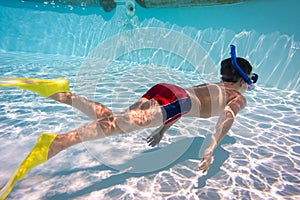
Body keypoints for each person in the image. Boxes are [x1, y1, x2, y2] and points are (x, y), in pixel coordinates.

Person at [0, 45, 258, 198]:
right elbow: (226, 119)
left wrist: (161, 131)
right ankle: (57, 142)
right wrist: (211, 147)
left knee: (114, 122)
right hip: (176, 103)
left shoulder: (212, 86)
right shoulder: (236, 97)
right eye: (249, 83)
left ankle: (62, 93)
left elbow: (186, 100)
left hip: (167, 90)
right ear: (243, 81)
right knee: (115, 126)